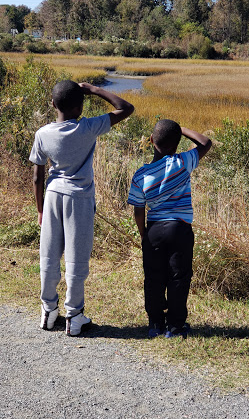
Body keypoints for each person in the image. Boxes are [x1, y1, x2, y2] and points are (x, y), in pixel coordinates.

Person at [29, 80, 134, 336]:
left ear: (52, 104)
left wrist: (41, 209)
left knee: (49, 256)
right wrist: (95, 90)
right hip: (79, 198)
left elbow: (36, 177)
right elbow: (126, 108)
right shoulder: (88, 127)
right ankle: (74, 316)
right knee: (76, 259)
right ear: (81, 106)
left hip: (53, 196)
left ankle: (48, 310)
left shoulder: (43, 134)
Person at [127, 119, 212, 339]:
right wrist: (182, 129)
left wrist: (143, 232)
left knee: (153, 278)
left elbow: (138, 210)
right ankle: (175, 327)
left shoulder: (141, 174)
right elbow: (205, 143)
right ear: (177, 144)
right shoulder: (183, 162)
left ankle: (155, 323)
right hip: (179, 229)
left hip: (154, 229)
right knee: (179, 277)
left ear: (152, 140)